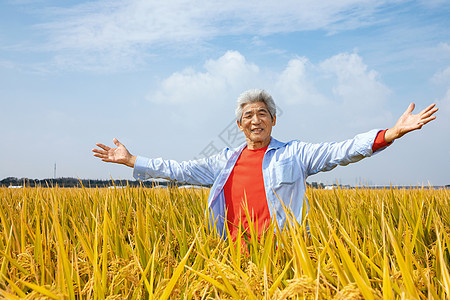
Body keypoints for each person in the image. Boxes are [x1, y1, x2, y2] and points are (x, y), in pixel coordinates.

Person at [92, 89, 438, 239]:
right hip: (232, 254)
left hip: (283, 254)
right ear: (239, 126)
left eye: (262, 114)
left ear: (273, 121)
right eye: (247, 116)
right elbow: (178, 169)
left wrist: (391, 133)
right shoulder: (223, 162)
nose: (255, 120)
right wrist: (131, 160)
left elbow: (341, 150)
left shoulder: (295, 154)